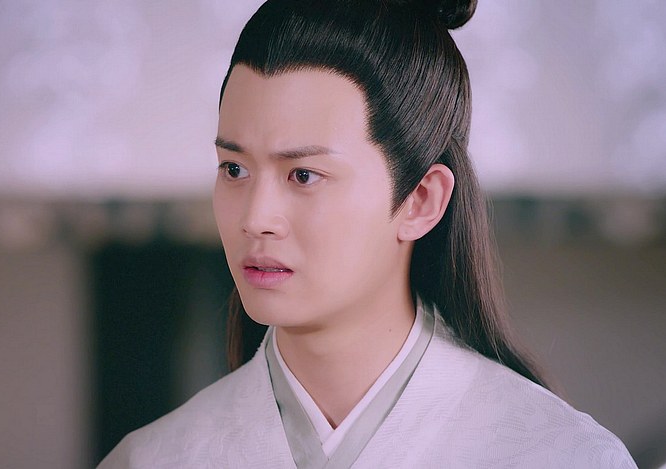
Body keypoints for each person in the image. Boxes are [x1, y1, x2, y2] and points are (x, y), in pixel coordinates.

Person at [99, 0, 637, 467]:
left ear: (421, 200)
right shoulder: (152, 459)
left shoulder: (561, 455)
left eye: (303, 175)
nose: (255, 218)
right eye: (234, 169)